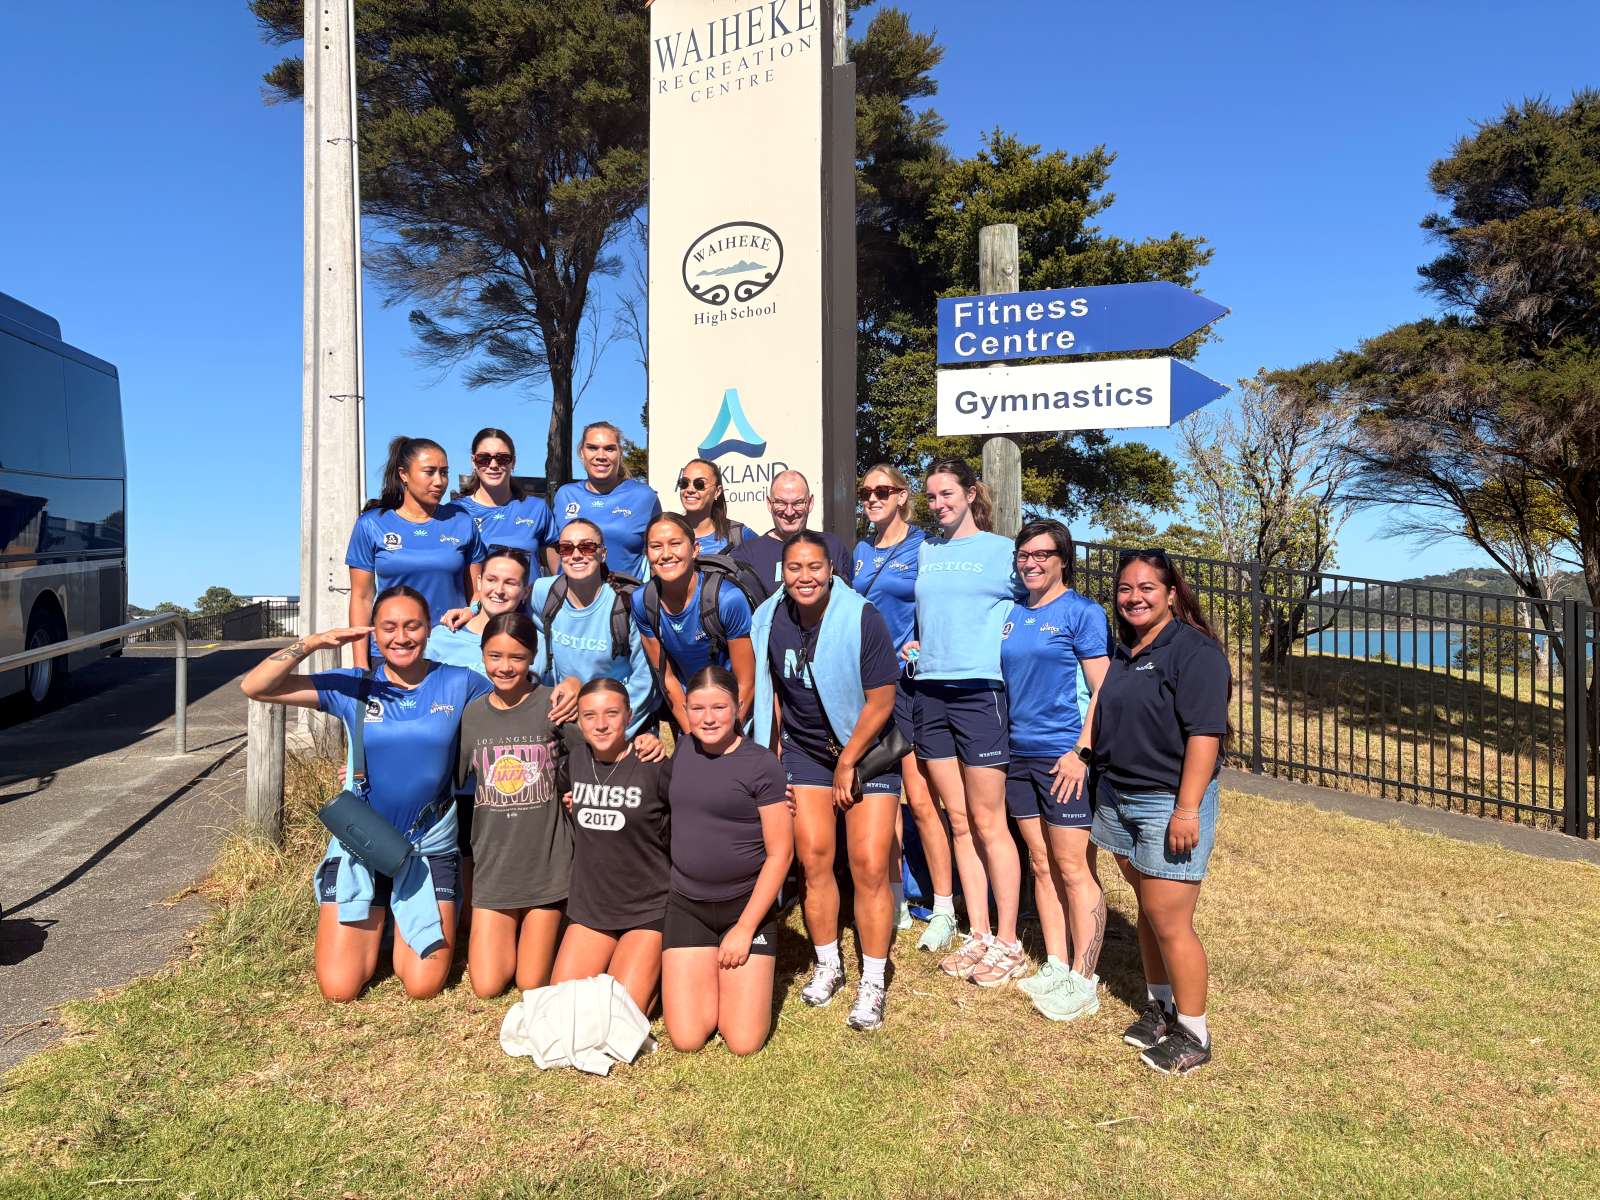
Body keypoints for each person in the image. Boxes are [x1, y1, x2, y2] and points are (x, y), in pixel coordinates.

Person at [238, 585, 491, 1002]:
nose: (401, 636)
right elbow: (257, 686)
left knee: (422, 986)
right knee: (339, 988)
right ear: (374, 632)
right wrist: (312, 643)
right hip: (362, 843)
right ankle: (383, 917)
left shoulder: (459, 682)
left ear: (428, 629)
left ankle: (395, 919)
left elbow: (517, 701)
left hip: (429, 847)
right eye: (389, 627)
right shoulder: (355, 684)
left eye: (412, 626)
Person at [752, 532, 900, 1031]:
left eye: (814, 566)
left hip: (868, 751)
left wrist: (849, 762)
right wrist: (769, 753)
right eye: (794, 568)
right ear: (783, 573)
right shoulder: (769, 619)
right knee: (813, 858)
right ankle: (828, 964)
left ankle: (873, 980)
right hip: (808, 752)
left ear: (830, 569)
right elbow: (769, 691)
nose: (805, 576)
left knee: (869, 863)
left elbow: (881, 700)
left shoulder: (861, 617)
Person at [1091, 550, 1230, 1075]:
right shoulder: (1127, 651)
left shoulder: (1195, 653)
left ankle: (1194, 1032)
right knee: (1148, 909)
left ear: (1171, 593)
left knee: (1171, 919)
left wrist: (1187, 809)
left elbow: (1205, 736)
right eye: (1126, 588)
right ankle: (1162, 1006)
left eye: (1147, 587)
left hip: (1167, 802)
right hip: (1118, 797)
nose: (1134, 597)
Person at [905, 459, 1026, 987]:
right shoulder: (928, 551)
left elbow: (1029, 610)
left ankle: (1008, 941)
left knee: (987, 821)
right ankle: (977, 933)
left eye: (947, 494)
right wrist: (917, 642)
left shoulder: (1002, 553)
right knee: (956, 819)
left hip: (980, 693)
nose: (938, 504)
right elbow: (930, 615)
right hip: (929, 691)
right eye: (931, 497)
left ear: (971, 493)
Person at [427, 546, 579, 921]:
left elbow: (556, 688)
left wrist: (574, 682)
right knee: (462, 854)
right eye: (491, 580)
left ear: (525, 591)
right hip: (453, 769)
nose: (499, 589)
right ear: (477, 583)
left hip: (512, 773)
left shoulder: (538, 639)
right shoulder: (445, 634)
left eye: (511, 582)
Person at [1000, 519, 1111, 1021]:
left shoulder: (1082, 613)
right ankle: (1057, 962)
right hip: (1017, 753)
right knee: (1040, 862)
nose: (1031, 563)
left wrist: (1080, 752)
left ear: (1063, 558)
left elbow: (1104, 690)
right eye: (1024, 554)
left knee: (1073, 866)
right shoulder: (1015, 614)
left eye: (1042, 554)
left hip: (1062, 756)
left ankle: (1085, 981)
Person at [660, 666, 793, 1056]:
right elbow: (647, 801)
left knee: (743, 1041)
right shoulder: (682, 750)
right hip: (688, 906)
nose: (709, 717)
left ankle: (733, 967)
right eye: (698, 708)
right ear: (685, 710)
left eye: (719, 706)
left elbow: (781, 853)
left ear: (738, 708)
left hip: (745, 905)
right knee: (687, 1038)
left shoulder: (761, 763)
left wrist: (745, 928)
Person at [852, 463, 956, 953]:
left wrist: (922, 642)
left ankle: (943, 906)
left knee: (921, 797)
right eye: (866, 492)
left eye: (882, 491)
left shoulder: (926, 548)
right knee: (884, 795)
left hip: (909, 689)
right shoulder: (857, 551)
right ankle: (894, 896)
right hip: (868, 690)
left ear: (901, 496)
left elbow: (939, 605)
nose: (872, 498)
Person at [455, 611, 573, 998]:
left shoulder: (553, 705)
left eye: (517, 657)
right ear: (482, 655)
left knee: (531, 982)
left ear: (533, 657)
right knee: (487, 986)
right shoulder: (471, 716)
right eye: (495, 656)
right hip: (495, 869)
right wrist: (359, 766)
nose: (505, 667)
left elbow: (598, 753)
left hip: (547, 867)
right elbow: (439, 774)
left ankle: (555, 925)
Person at [551, 679, 673, 1014]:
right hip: (592, 909)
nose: (601, 724)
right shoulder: (573, 763)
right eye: (589, 715)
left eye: (612, 713)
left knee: (619, 1015)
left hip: (647, 909)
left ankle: (655, 974)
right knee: (564, 1009)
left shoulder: (653, 765)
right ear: (578, 719)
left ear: (629, 715)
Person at [346, 436, 485, 667]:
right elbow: (361, 599)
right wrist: (360, 664)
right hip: (391, 651)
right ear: (404, 474)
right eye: (429, 472)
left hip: (451, 650)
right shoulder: (371, 525)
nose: (439, 481)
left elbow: (477, 594)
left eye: (444, 472)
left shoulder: (462, 522)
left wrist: (471, 612)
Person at [528, 520, 662, 752]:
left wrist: (605, 727)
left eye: (587, 547)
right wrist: (474, 609)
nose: (576, 555)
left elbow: (645, 682)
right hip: (563, 727)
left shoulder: (627, 603)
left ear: (603, 553)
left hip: (616, 731)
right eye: (567, 548)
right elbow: (504, 602)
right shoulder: (544, 592)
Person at [632, 513, 756, 728]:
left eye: (675, 544)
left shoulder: (726, 599)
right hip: (691, 714)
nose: (666, 554)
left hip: (738, 716)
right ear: (647, 554)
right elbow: (667, 678)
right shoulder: (643, 601)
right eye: (656, 546)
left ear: (695, 549)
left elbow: (746, 681)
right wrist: (692, 734)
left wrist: (727, 734)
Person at [552, 421, 661, 581]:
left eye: (609, 449)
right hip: (571, 599)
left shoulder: (644, 496)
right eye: (592, 448)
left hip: (624, 600)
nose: (601, 456)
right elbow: (552, 548)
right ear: (582, 452)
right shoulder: (565, 495)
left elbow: (659, 550)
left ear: (620, 453)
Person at [730, 469, 853, 602]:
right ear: (769, 504)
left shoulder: (832, 546)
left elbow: (846, 602)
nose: (789, 512)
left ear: (810, 503)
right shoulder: (746, 554)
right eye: (781, 503)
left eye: (798, 503)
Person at [451, 427, 559, 577]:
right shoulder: (455, 512)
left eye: (502, 458)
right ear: (473, 461)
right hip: (478, 601)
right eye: (484, 458)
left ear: (513, 462)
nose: (493, 465)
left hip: (529, 601)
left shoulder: (537, 509)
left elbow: (559, 576)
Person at [675, 457, 750, 555]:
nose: (690, 490)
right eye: (684, 483)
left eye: (699, 484)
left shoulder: (739, 534)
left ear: (717, 492)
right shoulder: (668, 532)